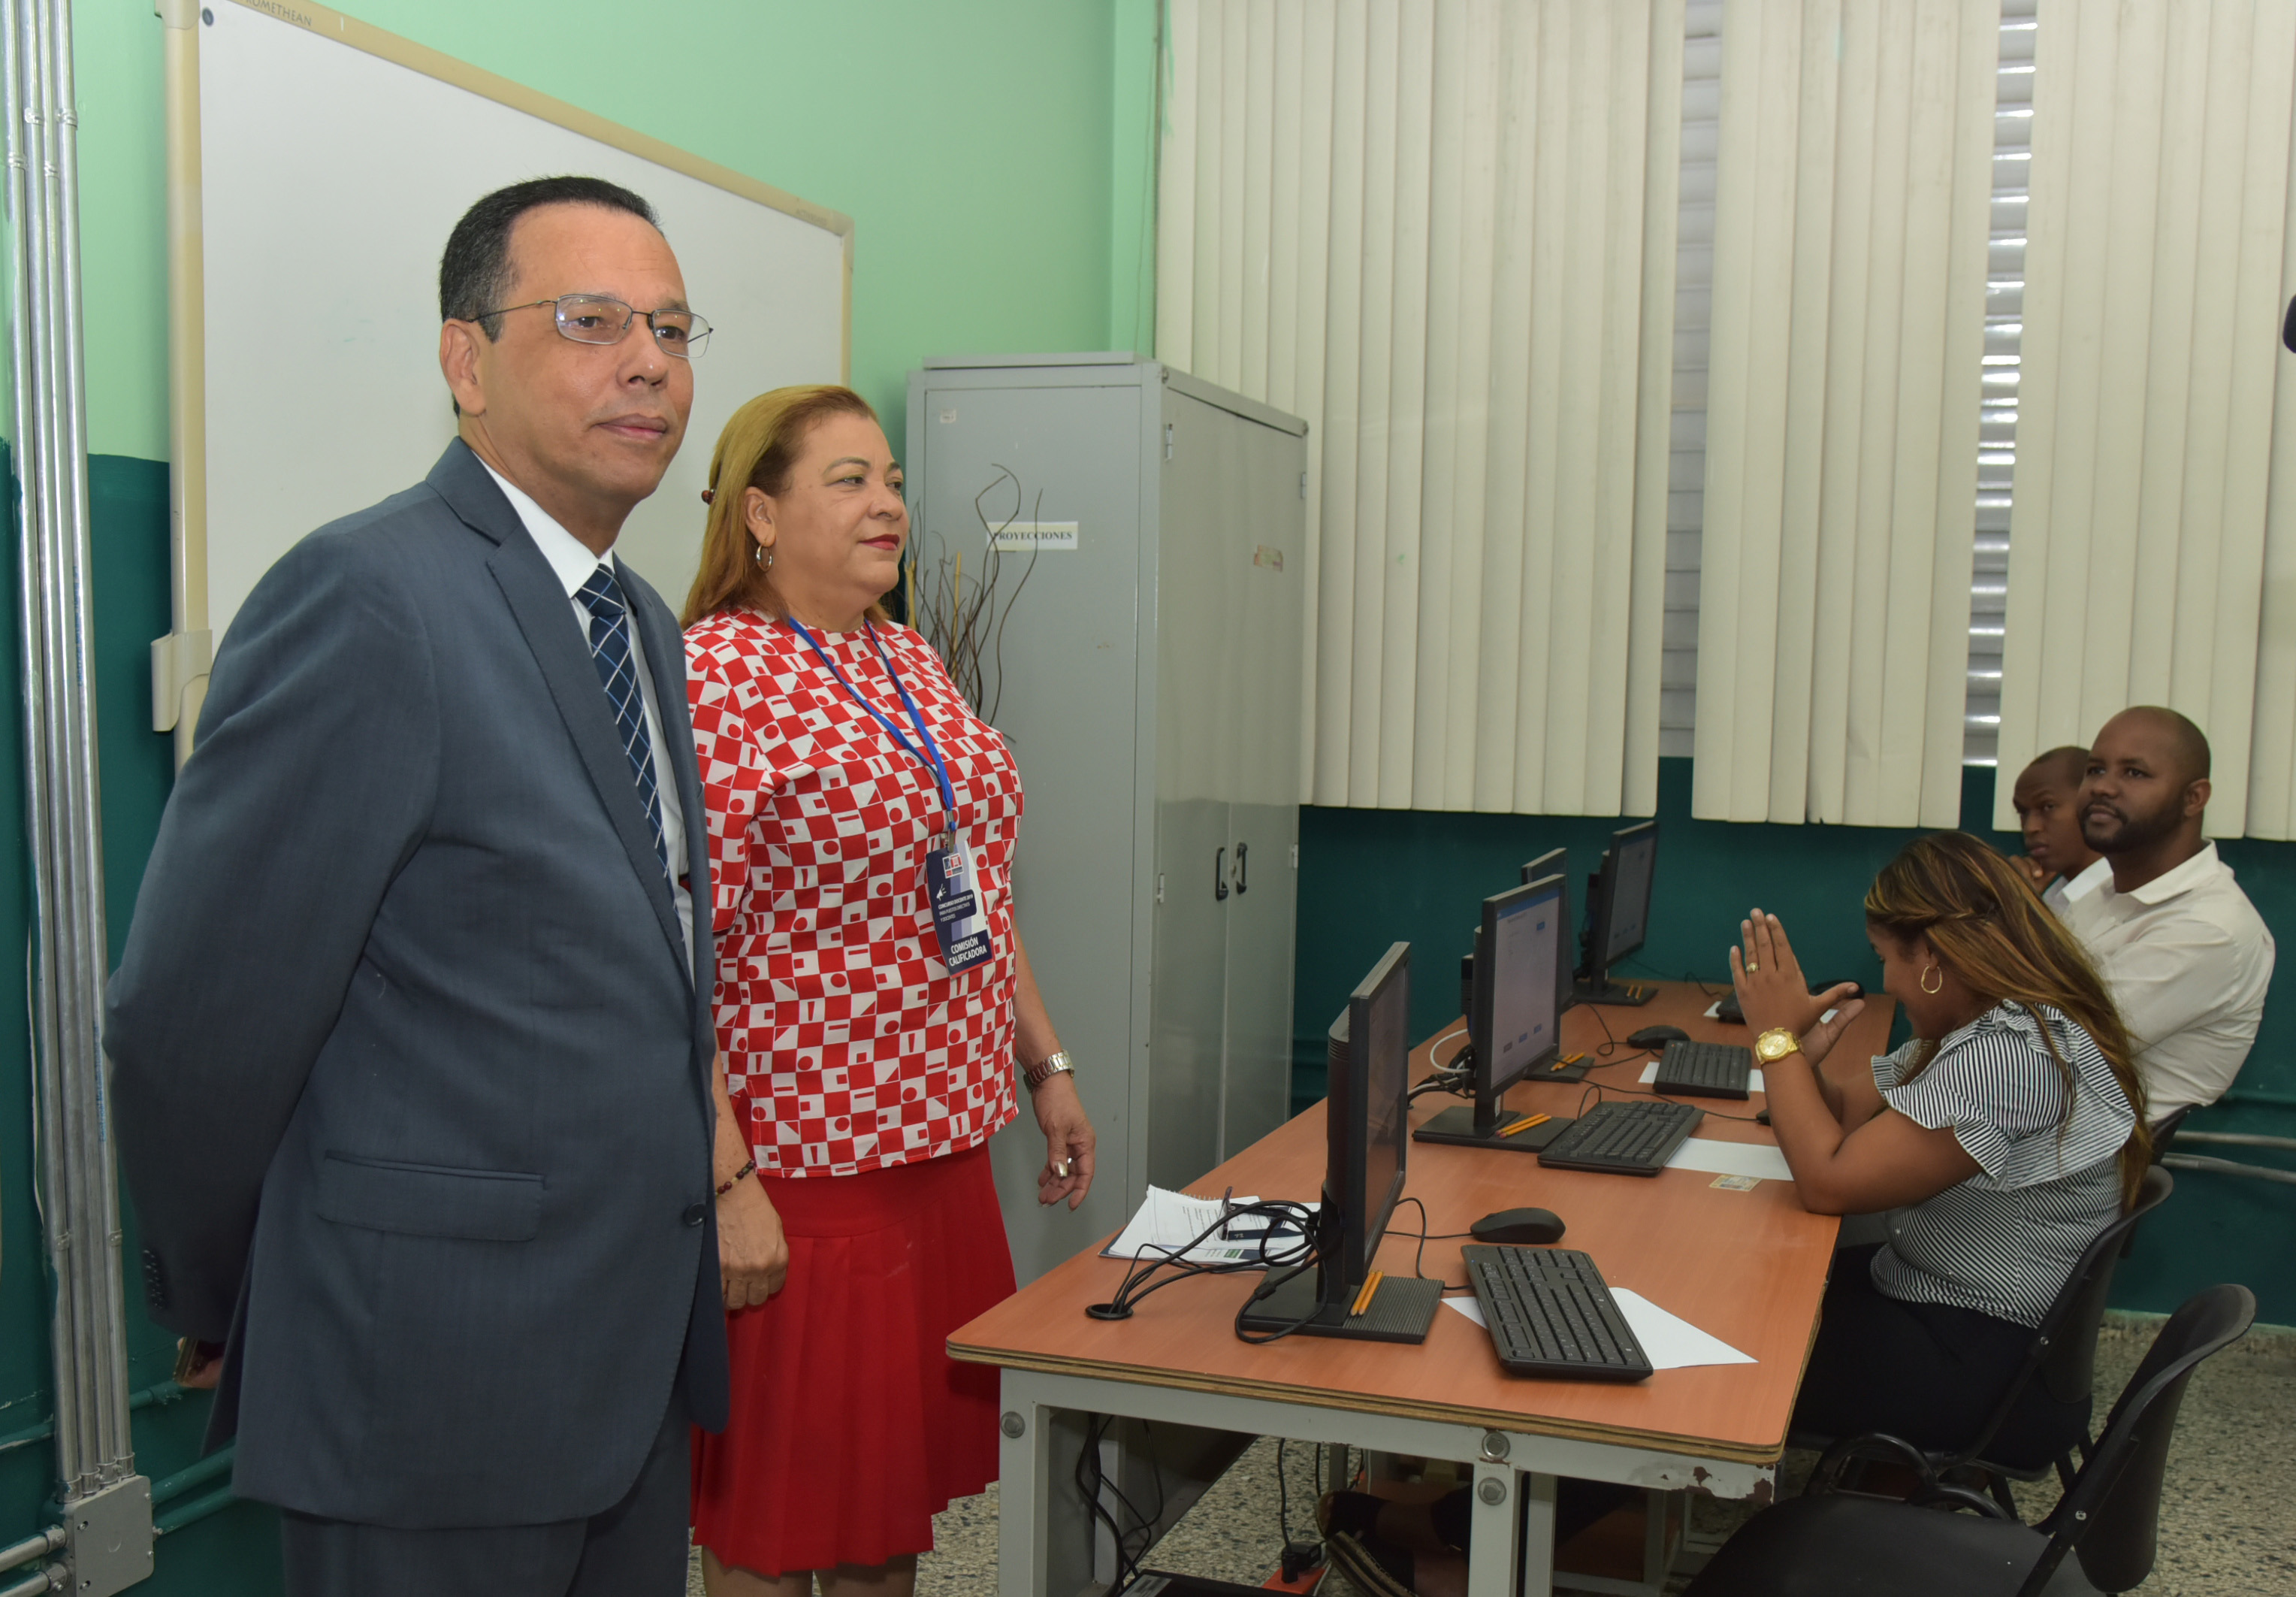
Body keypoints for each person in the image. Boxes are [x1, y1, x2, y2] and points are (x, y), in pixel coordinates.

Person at [105, 177, 780, 1597]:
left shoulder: (638, 619)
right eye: (592, 320)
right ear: (465, 360)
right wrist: (236, 1288)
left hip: (632, 1366)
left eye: (670, 325)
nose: (648, 360)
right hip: (427, 1380)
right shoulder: (368, 597)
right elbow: (195, 1014)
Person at [680, 385, 1097, 1596]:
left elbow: (971, 882)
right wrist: (727, 1176)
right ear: (761, 511)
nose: (890, 505)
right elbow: (671, 959)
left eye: (895, 479)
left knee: (885, 1508)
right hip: (806, 1169)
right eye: (850, 480)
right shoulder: (714, 677)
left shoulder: (901, 652)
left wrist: (1045, 1062)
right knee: (775, 1511)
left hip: (940, 1144)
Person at [1730, 832, 2149, 1465]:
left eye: (1885, 958)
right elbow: (1845, 1113)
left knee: (1729, 1339)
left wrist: (1773, 1040)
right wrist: (1801, 1061)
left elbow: (1827, 1183)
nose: (1887, 983)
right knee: (1747, 1287)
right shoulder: (2001, 1021)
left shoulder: (2007, 1055)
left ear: (1930, 952)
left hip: (1978, 1358)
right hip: (1943, 1303)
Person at [2064, 706, 2276, 1124]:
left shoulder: (2210, 929)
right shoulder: (2101, 891)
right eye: (2095, 770)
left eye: (2134, 774)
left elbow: (2048, 1049)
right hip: (2018, 1126)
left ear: (2194, 798)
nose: (2103, 788)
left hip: (2068, 1167)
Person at [2011, 744, 2109, 917]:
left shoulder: (2124, 902)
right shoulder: (2053, 897)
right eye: (2023, 813)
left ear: (2094, 805)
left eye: (2048, 807)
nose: (2030, 828)